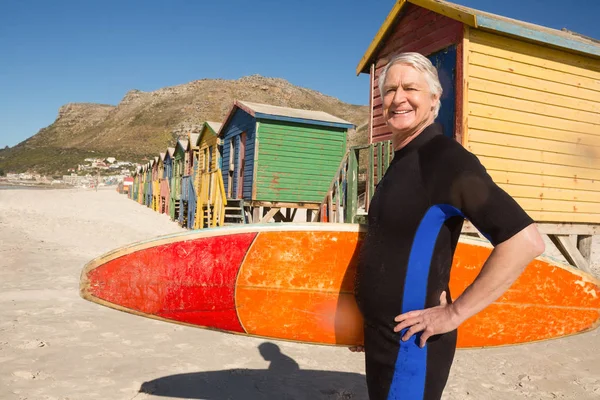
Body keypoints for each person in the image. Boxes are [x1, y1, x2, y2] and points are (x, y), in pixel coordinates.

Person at [350, 52, 545, 400]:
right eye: (390, 90)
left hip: (413, 347)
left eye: (410, 88)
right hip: (382, 339)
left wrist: (454, 313)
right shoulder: (402, 161)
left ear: (434, 98)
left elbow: (524, 241)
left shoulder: (446, 161)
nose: (398, 98)